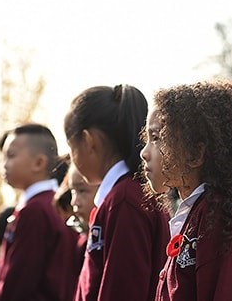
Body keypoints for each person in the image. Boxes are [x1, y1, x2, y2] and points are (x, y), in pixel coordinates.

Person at [140, 79, 232, 301]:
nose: (144, 152)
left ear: (195, 154)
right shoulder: (199, 213)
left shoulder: (218, 217)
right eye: (147, 138)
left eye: (157, 138)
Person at [64, 84, 169, 301]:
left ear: (88, 140)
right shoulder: (123, 195)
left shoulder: (124, 199)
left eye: (70, 145)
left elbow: (124, 290)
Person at [0, 124, 78, 301]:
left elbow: (18, 281)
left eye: (11, 156)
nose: (4, 164)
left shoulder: (34, 211)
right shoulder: (56, 204)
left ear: (39, 162)